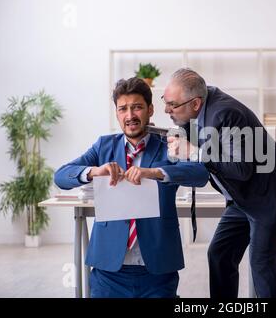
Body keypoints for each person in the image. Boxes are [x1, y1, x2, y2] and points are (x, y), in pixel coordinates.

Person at [54, 77, 208, 298]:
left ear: (150, 109)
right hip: (109, 271)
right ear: (117, 113)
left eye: (137, 107)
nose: (130, 116)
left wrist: (156, 173)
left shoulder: (170, 144)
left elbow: (200, 174)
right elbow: (61, 176)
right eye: (123, 109)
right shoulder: (104, 146)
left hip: (158, 269)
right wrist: (93, 171)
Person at [164, 68, 276, 298]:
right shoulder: (196, 111)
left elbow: (240, 168)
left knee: (261, 262)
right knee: (220, 254)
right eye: (165, 101)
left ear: (196, 103)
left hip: (270, 199)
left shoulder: (227, 113)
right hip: (243, 199)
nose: (166, 109)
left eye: (172, 104)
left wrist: (193, 152)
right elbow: (190, 139)